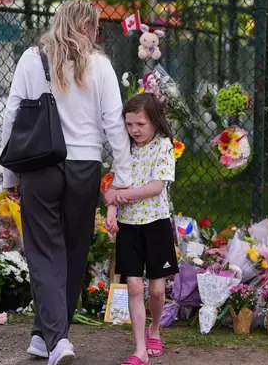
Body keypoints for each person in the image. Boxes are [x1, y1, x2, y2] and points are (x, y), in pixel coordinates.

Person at [0, 0, 133, 365]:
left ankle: (52, 337)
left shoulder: (31, 58)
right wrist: (122, 177)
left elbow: (13, 116)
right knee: (73, 251)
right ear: (88, 26)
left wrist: (9, 174)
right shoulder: (101, 65)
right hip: (84, 167)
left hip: (40, 165)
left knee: (43, 251)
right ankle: (49, 337)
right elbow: (114, 126)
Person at [103, 93, 179, 365]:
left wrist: (122, 196)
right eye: (129, 124)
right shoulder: (125, 148)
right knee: (134, 286)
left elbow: (156, 187)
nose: (134, 130)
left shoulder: (164, 146)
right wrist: (111, 213)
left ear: (155, 122)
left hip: (155, 224)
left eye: (140, 124)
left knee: (157, 290)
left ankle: (154, 330)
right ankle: (140, 350)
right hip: (128, 227)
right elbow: (115, 185)